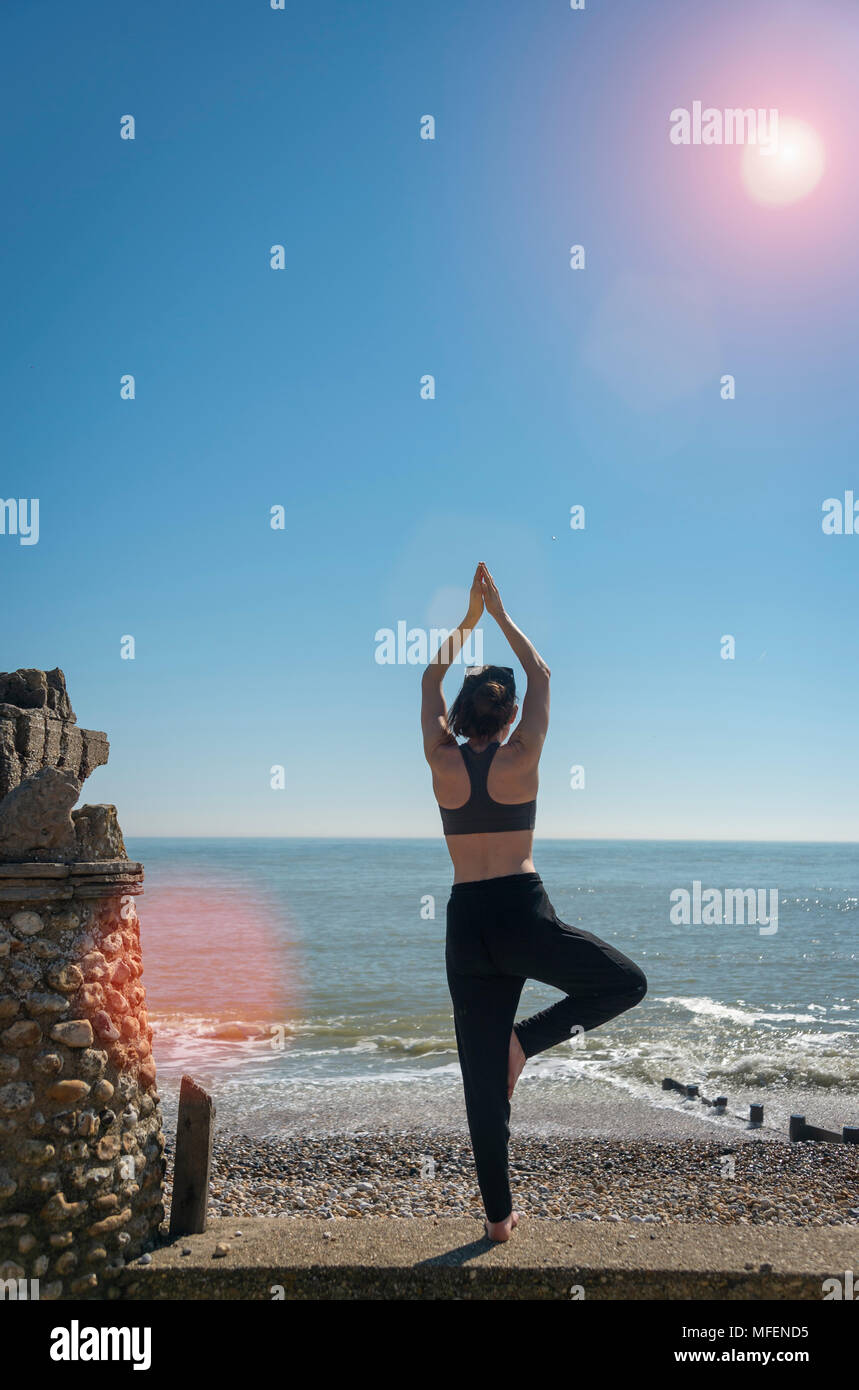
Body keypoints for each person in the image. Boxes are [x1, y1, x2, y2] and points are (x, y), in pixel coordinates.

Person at [421, 563, 647, 1241]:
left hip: (467, 924)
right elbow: (542, 674)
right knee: (624, 982)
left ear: (462, 714)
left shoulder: (442, 758)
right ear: (511, 713)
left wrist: (464, 622)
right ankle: (525, 1043)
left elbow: (428, 680)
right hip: (522, 914)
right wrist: (499, 615)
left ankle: (497, 1222)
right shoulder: (523, 754)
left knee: (479, 1082)